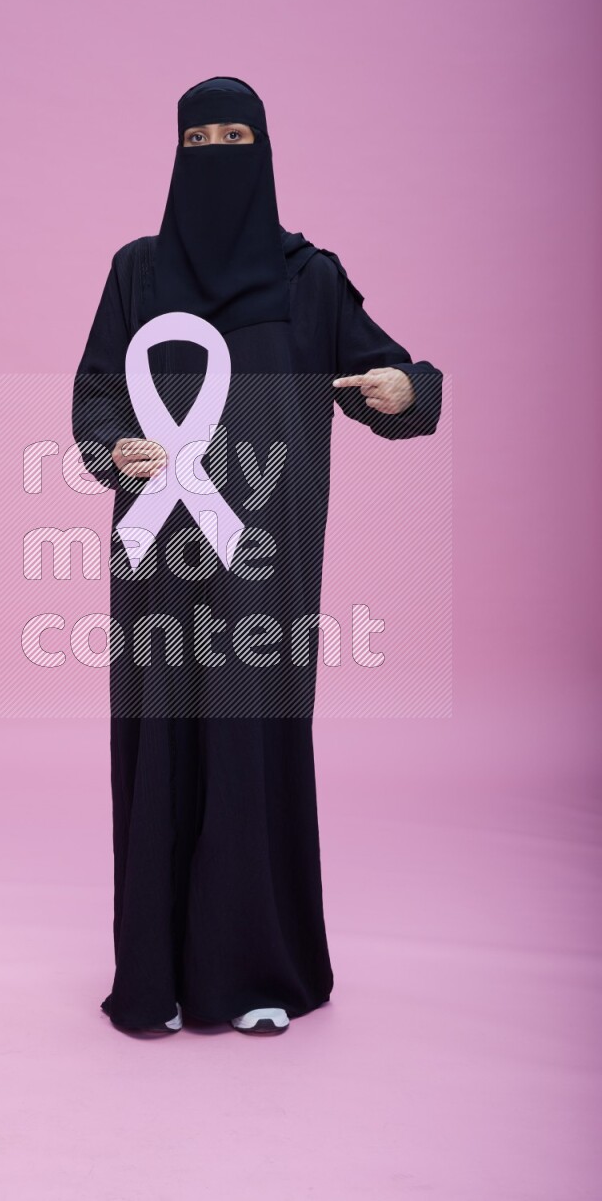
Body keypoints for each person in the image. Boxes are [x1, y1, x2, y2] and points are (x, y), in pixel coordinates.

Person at [72, 76, 442, 1036]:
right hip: (159, 554)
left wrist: (406, 390)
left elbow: (386, 373)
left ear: (267, 150)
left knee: (252, 745)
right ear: (175, 152)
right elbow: (96, 395)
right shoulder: (138, 272)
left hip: (268, 562)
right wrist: (115, 448)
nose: (221, 153)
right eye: (203, 137)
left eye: (238, 135)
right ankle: (159, 977)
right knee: (164, 743)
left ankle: (255, 973)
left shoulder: (306, 279)